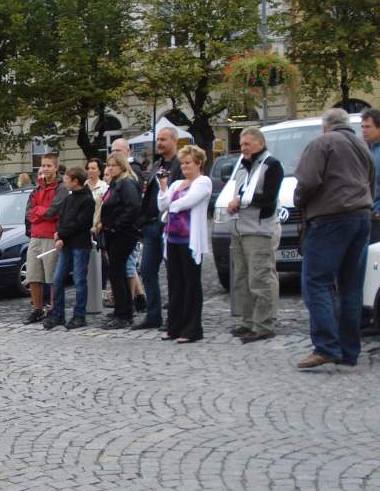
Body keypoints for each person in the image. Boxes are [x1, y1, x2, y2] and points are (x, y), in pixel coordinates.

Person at [293, 108, 376, 369]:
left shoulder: (323, 142)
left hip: (330, 218)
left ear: (325, 126)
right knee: (351, 286)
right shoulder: (363, 147)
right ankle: (349, 350)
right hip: (361, 216)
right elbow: (370, 181)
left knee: (316, 282)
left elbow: (307, 181)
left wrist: (300, 202)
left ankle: (326, 346)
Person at [226, 127, 285, 344]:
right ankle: (248, 321)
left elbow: (269, 197)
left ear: (260, 144)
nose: (243, 148)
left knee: (259, 278)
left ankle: (264, 324)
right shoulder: (242, 165)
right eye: (241, 145)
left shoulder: (272, 165)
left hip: (258, 230)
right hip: (239, 228)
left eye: (247, 144)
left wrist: (240, 202)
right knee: (242, 278)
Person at [158, 145, 212, 343]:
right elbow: (162, 204)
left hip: (190, 240)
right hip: (172, 238)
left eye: (188, 163)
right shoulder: (177, 183)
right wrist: (164, 188)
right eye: (182, 163)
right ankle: (174, 326)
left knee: (191, 284)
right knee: (175, 284)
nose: (184, 167)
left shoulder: (203, 182)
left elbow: (187, 202)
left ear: (198, 163)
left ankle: (192, 329)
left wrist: (171, 206)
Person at [133, 127, 182, 331]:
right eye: (158, 140)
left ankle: (176, 317)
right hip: (151, 225)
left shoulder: (180, 165)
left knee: (174, 274)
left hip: (170, 226)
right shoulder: (157, 165)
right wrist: (142, 220)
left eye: (163, 139)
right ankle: (153, 315)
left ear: (174, 141)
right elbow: (150, 194)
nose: (159, 143)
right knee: (147, 271)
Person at [45, 167, 95, 329]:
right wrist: (59, 235)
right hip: (66, 244)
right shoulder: (69, 198)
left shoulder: (87, 200)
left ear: (75, 181)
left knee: (79, 281)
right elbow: (63, 219)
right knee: (58, 279)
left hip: (80, 244)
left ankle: (79, 316)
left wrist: (61, 234)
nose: (64, 181)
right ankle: (58, 314)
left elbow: (80, 224)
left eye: (67, 179)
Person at [100, 152, 143, 329]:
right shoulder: (116, 184)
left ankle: (123, 314)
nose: (110, 168)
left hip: (122, 234)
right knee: (118, 274)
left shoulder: (126, 183)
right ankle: (122, 310)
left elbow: (132, 207)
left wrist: (117, 225)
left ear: (122, 166)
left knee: (117, 273)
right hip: (114, 234)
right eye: (108, 165)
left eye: (113, 165)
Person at [23, 154, 67, 324]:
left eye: (49, 165)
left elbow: (53, 211)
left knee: (52, 277)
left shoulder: (61, 188)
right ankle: (37, 309)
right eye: (43, 166)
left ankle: (54, 309)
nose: (45, 169)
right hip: (35, 236)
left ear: (56, 168)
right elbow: (29, 213)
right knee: (33, 275)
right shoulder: (37, 189)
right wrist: (42, 212)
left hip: (51, 236)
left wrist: (39, 212)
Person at [360, 107, 380, 244]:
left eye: (368, 127)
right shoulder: (366, 149)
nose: (364, 130)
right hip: (368, 214)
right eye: (362, 127)